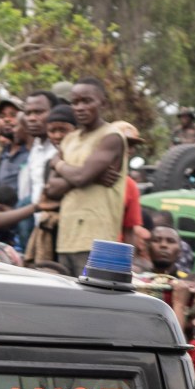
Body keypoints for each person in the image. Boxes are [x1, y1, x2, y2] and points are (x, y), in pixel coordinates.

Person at [42, 79, 130, 273]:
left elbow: (81, 177)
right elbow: (51, 189)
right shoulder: (70, 139)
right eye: (75, 102)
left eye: (87, 101)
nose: (80, 107)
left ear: (103, 103)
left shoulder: (111, 137)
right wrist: (91, 177)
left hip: (98, 240)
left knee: (95, 301)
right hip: (66, 238)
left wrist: (59, 163)